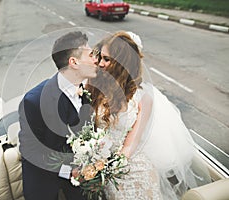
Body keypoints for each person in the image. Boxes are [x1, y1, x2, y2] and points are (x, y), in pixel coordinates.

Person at [86, 31, 211, 200]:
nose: (100, 63)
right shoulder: (92, 85)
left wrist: (111, 169)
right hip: (100, 159)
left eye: (106, 59)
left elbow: (132, 143)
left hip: (130, 162)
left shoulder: (143, 97)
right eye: (100, 57)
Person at [18, 31, 98, 200]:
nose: (95, 60)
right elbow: (30, 150)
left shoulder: (85, 93)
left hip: (80, 179)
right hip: (43, 182)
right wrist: (69, 172)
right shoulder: (34, 101)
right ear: (74, 62)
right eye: (91, 55)